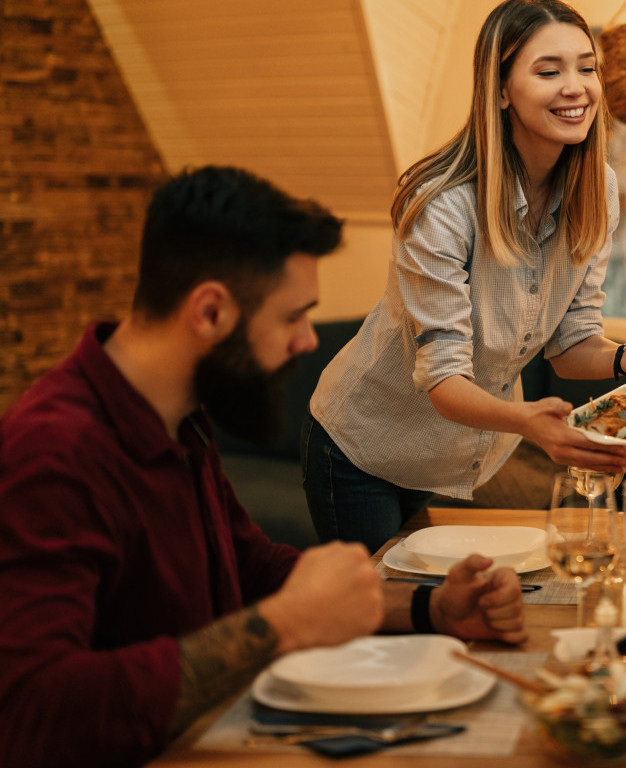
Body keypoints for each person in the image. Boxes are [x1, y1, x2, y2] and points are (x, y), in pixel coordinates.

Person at [0, 166, 527, 768]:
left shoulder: (181, 417)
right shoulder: (55, 453)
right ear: (210, 314)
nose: (307, 341)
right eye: (292, 316)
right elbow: (28, 714)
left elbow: (251, 567)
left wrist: (428, 610)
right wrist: (281, 626)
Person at [303, 0, 626, 553]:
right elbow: (444, 379)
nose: (576, 88)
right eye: (549, 71)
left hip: (457, 457)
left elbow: (571, 344)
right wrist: (529, 422)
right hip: (361, 449)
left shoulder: (599, 191)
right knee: (383, 616)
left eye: (586, 67)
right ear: (500, 90)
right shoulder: (443, 206)